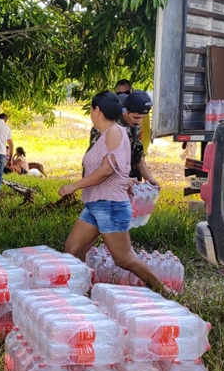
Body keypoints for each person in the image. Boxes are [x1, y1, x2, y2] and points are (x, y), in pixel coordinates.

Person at [58, 91, 165, 291]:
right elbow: (116, 167)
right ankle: (82, 289)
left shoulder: (115, 131)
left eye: (91, 110)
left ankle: (163, 289)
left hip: (111, 206)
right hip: (95, 203)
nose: (90, 113)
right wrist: (127, 179)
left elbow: (106, 171)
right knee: (71, 249)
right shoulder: (107, 133)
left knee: (124, 259)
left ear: (97, 110)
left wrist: (73, 186)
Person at [88, 90, 159, 187]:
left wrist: (149, 178)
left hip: (123, 182)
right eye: (136, 117)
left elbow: (137, 155)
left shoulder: (135, 126)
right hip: (101, 184)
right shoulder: (107, 124)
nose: (139, 122)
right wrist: (123, 179)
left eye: (143, 118)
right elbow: (99, 162)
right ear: (125, 111)